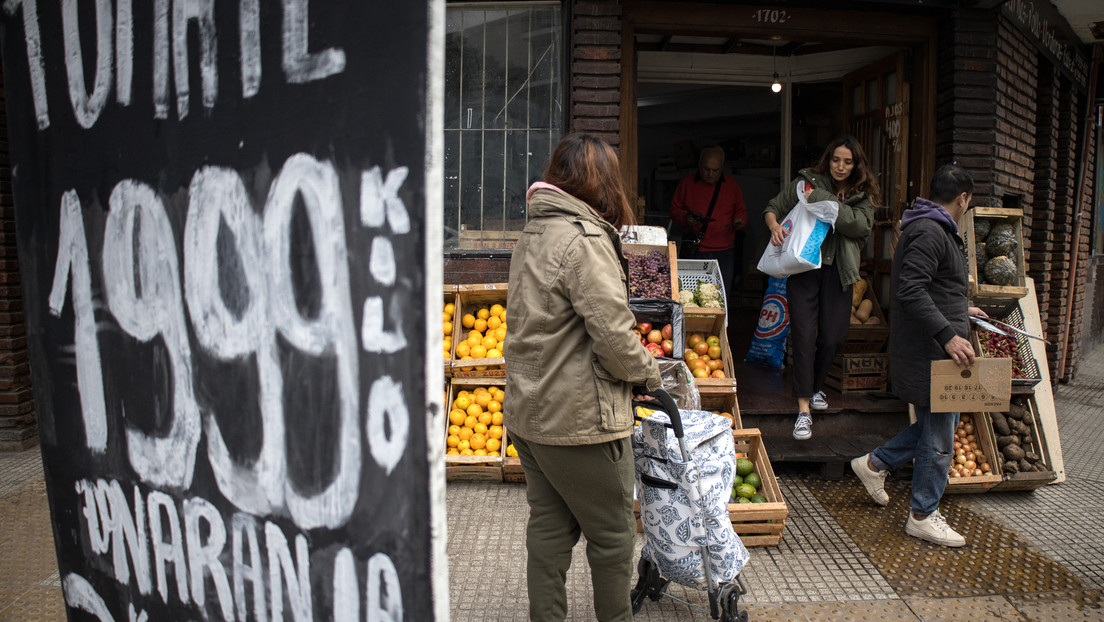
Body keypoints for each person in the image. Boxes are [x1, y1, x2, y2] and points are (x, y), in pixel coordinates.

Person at [504, 133, 663, 621]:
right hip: (579, 422)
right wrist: (649, 373)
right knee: (612, 535)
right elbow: (615, 339)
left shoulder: (534, 232)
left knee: (549, 529)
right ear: (602, 182)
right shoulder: (585, 239)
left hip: (530, 414)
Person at [850, 164, 987, 547]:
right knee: (940, 432)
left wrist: (963, 311)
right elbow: (911, 290)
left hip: (934, 347)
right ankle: (923, 514)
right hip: (932, 351)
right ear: (964, 198)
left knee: (936, 427)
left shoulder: (933, 226)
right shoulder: (931, 230)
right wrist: (948, 335)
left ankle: (875, 463)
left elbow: (936, 286)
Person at [763, 136, 879, 440]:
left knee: (833, 337)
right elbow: (774, 206)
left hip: (839, 272)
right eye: (836, 159)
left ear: (856, 165)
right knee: (803, 335)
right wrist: (775, 225)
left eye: (847, 161)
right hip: (804, 270)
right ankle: (803, 411)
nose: (840, 166)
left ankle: (815, 387)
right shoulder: (807, 182)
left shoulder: (861, 194)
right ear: (828, 160)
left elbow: (861, 226)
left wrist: (827, 205)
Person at [669, 145, 748, 293]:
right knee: (692, 293)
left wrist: (739, 221)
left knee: (721, 294)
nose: (710, 174)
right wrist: (686, 218)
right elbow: (674, 210)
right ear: (699, 165)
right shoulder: (687, 183)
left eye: (715, 170)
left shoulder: (731, 185)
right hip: (696, 248)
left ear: (722, 168)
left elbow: (741, 211)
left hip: (724, 250)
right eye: (706, 169)